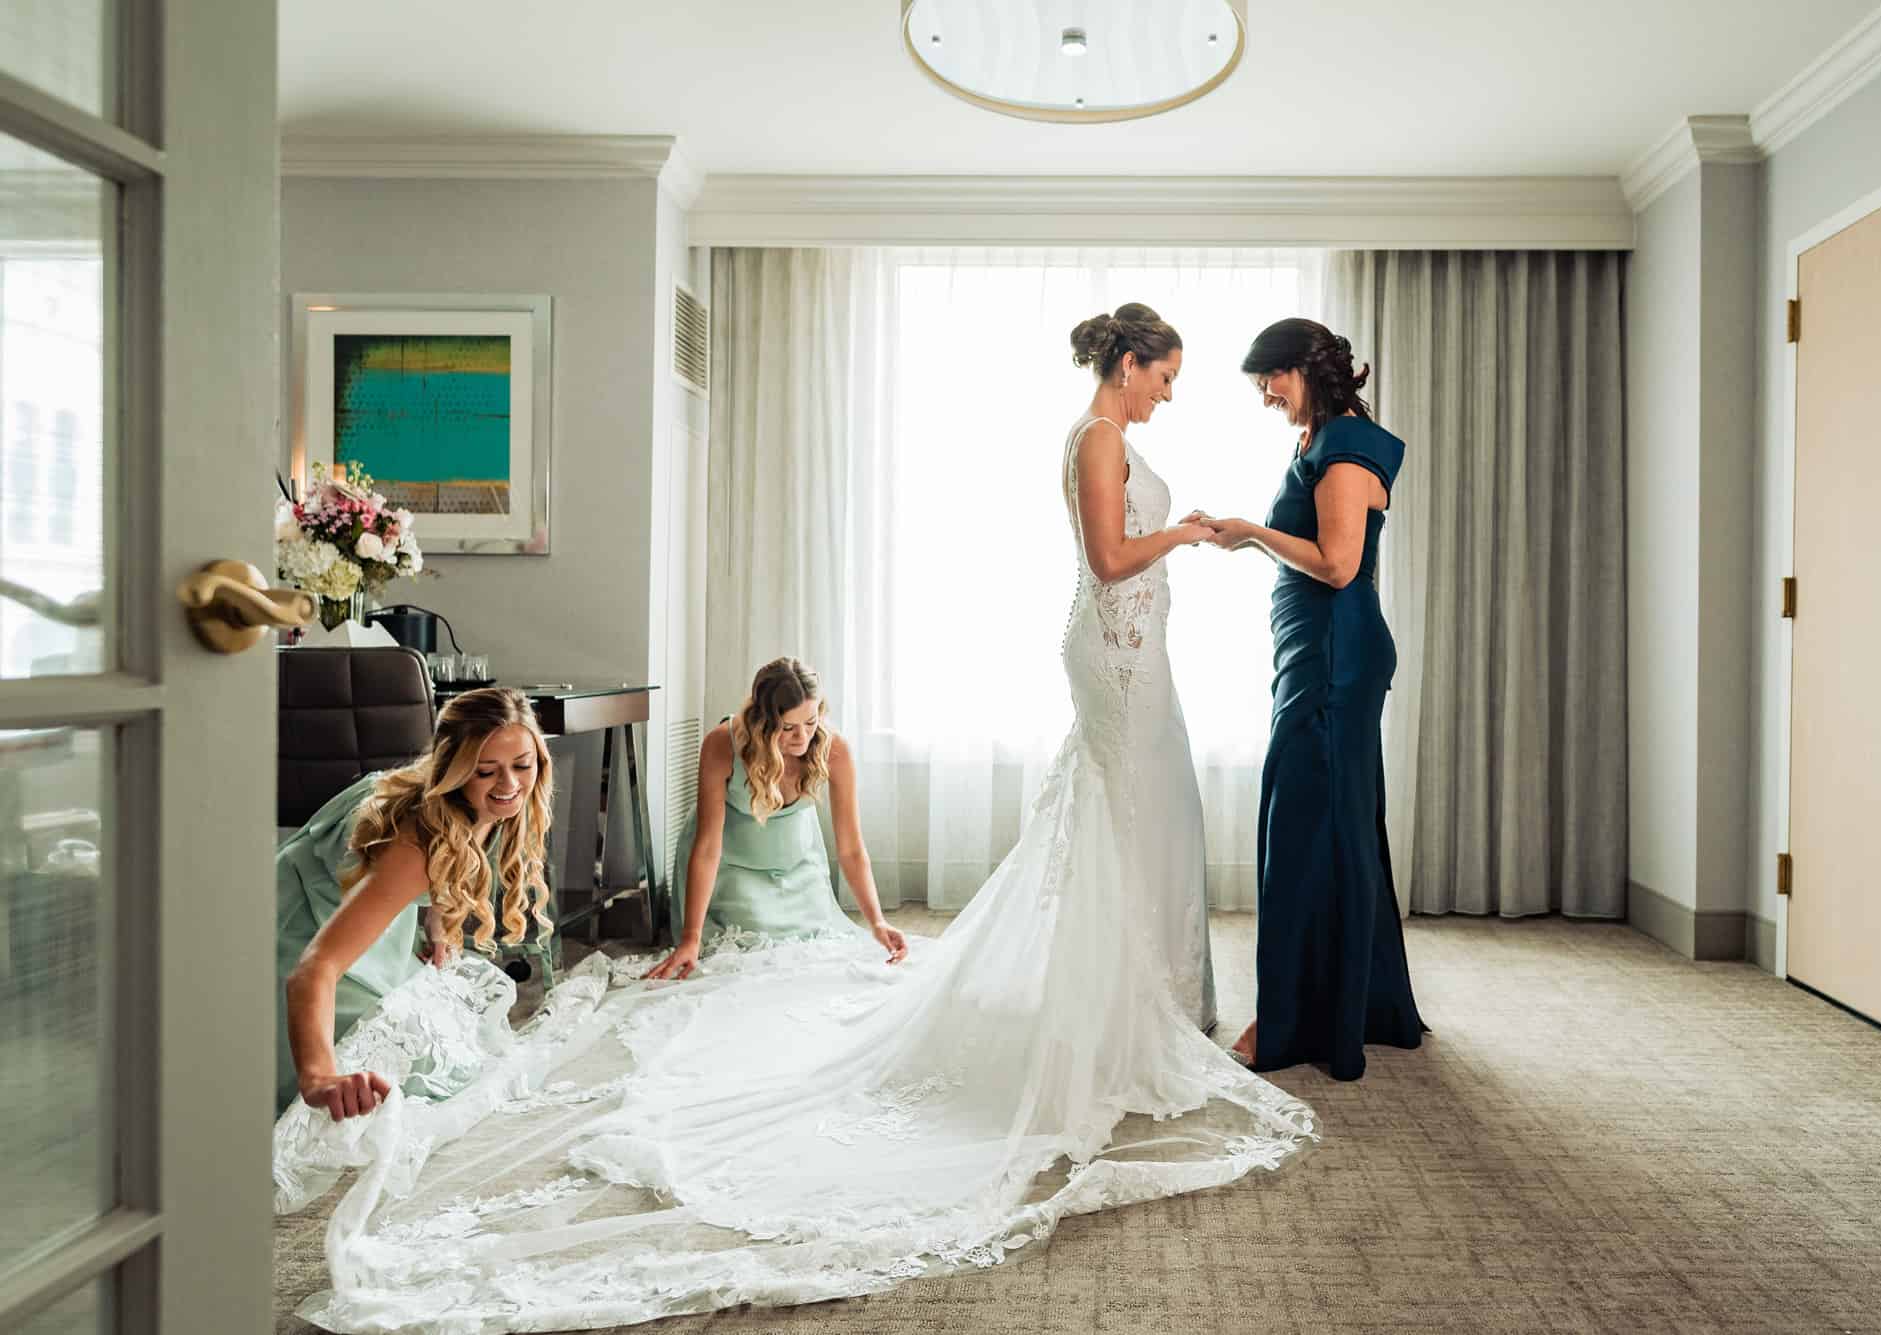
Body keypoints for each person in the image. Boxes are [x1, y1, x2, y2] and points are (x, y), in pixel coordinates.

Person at [274, 305, 1313, 1331]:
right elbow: (1108, 560)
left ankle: (1138, 1004)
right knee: (1119, 819)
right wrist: (1184, 532)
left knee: (1140, 826)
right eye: (1165, 374)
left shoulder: (1108, 443)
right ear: (1127, 364)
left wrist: (868, 921)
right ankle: (1115, 1016)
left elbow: (852, 840)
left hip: (1134, 658)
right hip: (1115, 656)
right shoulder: (1094, 437)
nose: (1169, 393)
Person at [1189, 317, 1426, 1079]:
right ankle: (1357, 1003)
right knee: (1333, 827)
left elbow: (1336, 564)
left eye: (1271, 377)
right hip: (1316, 655)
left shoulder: (1347, 446)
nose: (1265, 393)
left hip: (1333, 661)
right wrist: (1246, 535)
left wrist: (1252, 531)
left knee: (1301, 832)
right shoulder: (1322, 439)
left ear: (1304, 368)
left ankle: (1288, 1020)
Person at [274, 686, 553, 1117]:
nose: (510, 785)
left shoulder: (457, 803)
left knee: (458, 1029)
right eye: (486, 771)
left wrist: (435, 926)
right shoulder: (415, 847)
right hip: (295, 943)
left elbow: (453, 857)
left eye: (523, 765)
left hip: (351, 921)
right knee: (424, 1064)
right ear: (455, 771)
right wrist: (319, 1077)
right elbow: (315, 967)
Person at [648, 656, 907, 977]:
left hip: (797, 866)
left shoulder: (834, 748)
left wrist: (877, 920)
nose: (802, 737)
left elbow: (851, 849)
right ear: (762, 721)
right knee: (748, 957)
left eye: (811, 722)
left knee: (812, 956)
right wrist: (690, 939)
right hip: (730, 868)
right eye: (788, 727)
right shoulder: (721, 744)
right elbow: (706, 849)